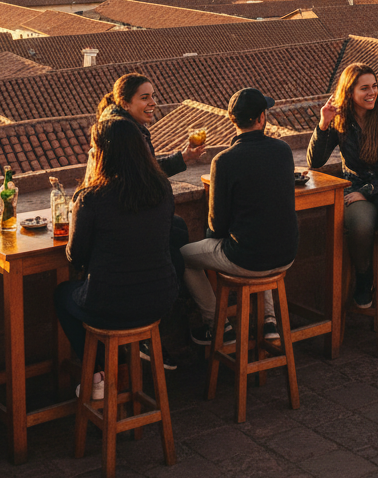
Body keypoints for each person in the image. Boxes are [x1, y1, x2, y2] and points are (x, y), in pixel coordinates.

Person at [55, 116, 178, 398]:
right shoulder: (163, 190)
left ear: (100, 154)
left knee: (63, 295)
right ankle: (117, 371)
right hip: (160, 298)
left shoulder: (92, 198)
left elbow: (76, 257)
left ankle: (99, 372)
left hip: (110, 303)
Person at [181, 88, 298, 345]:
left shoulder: (224, 161)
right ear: (261, 118)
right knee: (261, 240)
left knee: (184, 258)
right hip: (286, 255)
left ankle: (219, 326)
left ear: (233, 120)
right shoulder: (283, 150)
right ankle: (269, 322)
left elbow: (217, 225)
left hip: (249, 260)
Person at [307, 63, 378, 311]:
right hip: (358, 192)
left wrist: (368, 190)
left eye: (374, 86)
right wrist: (323, 124)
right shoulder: (341, 122)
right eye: (364, 88)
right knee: (359, 227)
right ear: (349, 92)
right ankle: (364, 276)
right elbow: (315, 162)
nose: (372, 93)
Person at [96, 74, 205, 286]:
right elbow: (138, 174)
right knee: (175, 239)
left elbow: (146, 169)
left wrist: (184, 157)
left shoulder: (135, 129)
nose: (153, 103)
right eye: (145, 97)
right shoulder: (123, 134)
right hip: (130, 214)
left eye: (152, 96)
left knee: (179, 229)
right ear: (126, 103)